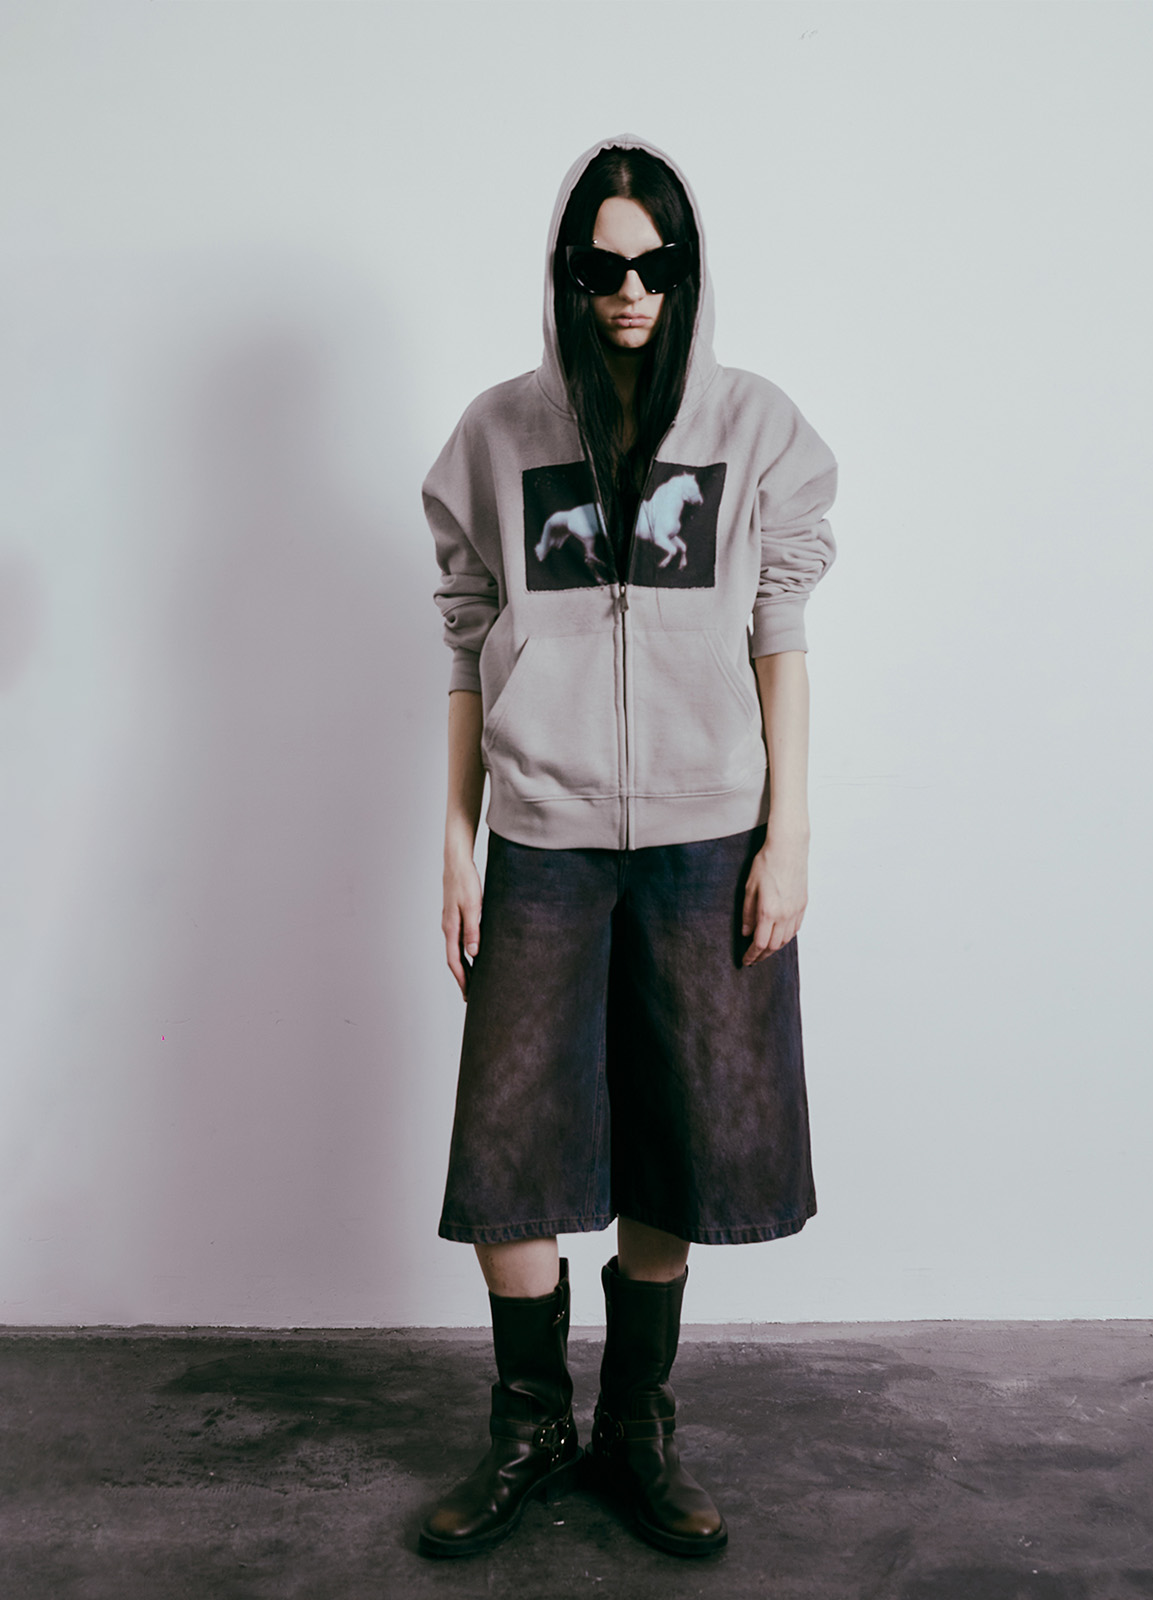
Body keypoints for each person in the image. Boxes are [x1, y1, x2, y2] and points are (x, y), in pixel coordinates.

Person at [418, 134, 837, 1560]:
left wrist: (790, 829)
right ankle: (529, 1422)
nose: (631, 293)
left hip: (708, 837)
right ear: (567, 277)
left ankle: (634, 1425)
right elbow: (469, 640)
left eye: (656, 266)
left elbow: (781, 632)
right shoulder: (496, 434)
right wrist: (457, 838)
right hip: (542, 836)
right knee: (509, 1142)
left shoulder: (754, 427)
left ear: (687, 271)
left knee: (681, 1131)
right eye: (603, 270)